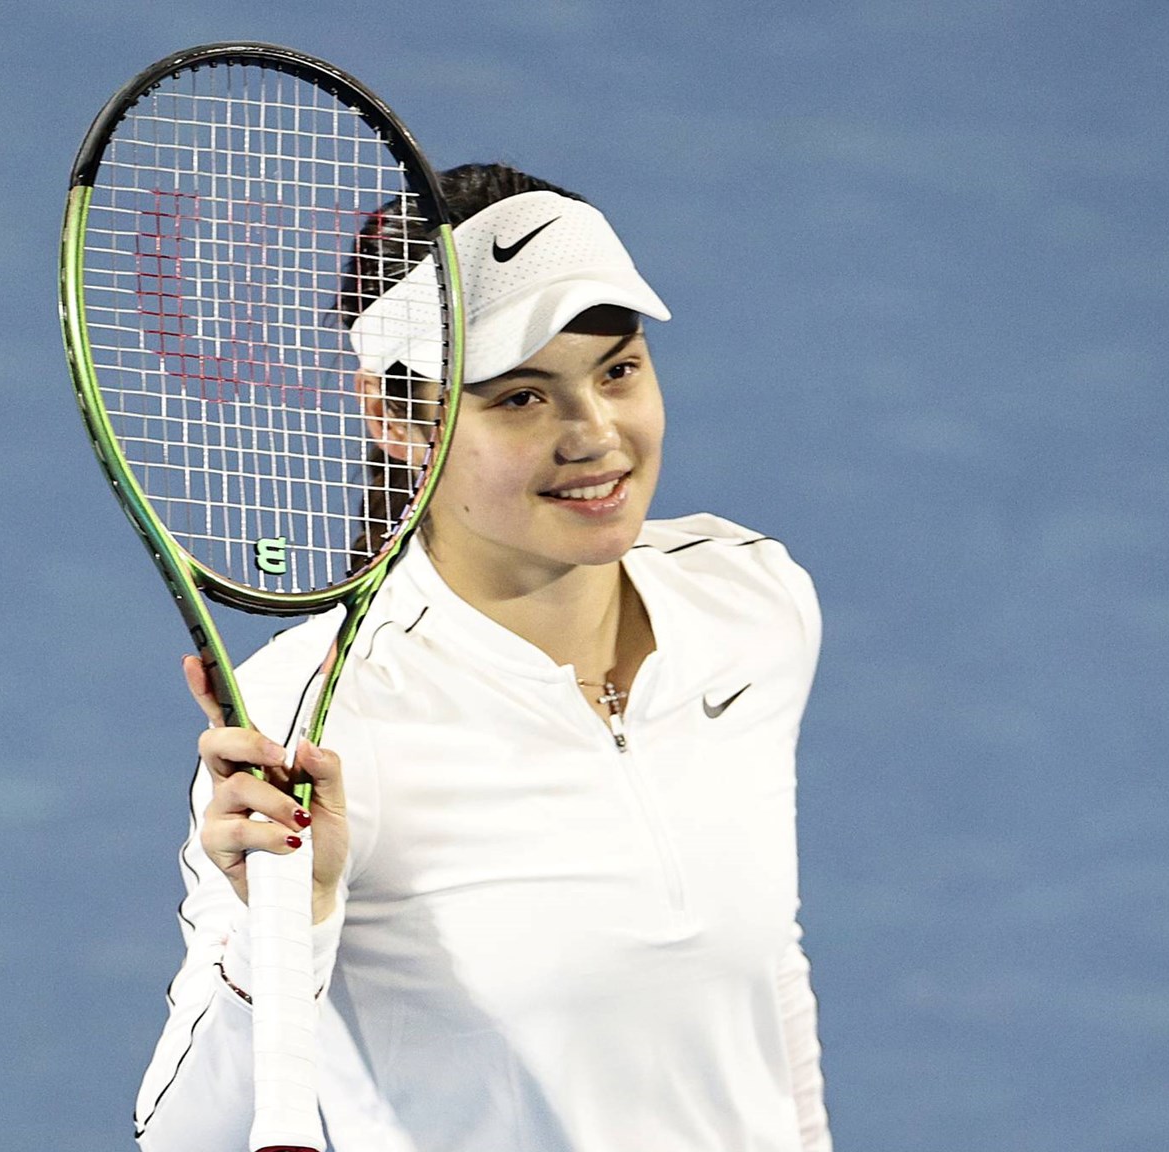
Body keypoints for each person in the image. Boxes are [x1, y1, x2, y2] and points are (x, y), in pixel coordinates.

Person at [133, 164, 832, 1151]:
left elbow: (765, 993)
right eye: (519, 398)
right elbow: (180, 1138)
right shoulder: (316, 715)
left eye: (617, 369)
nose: (594, 436)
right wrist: (293, 920)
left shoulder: (749, 607)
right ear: (394, 418)